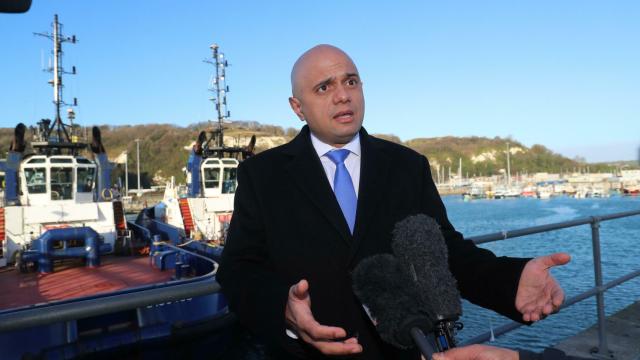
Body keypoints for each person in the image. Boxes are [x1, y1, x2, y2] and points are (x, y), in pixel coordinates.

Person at [217, 44, 570, 359]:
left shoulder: (407, 166)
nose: (343, 96)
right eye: (324, 87)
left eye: (350, 81)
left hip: (401, 351)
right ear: (298, 107)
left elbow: (444, 252)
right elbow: (239, 270)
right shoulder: (262, 176)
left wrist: (511, 279)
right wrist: (285, 310)